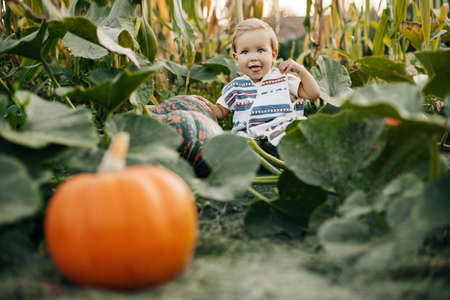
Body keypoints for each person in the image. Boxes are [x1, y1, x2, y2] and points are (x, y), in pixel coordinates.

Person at [198, 18, 320, 150]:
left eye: (260, 50)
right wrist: (204, 107)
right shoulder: (235, 87)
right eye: (245, 52)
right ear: (236, 58)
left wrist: (301, 71)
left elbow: (313, 93)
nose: (253, 57)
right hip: (249, 144)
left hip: (282, 140)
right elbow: (221, 111)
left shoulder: (283, 79)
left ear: (273, 54)